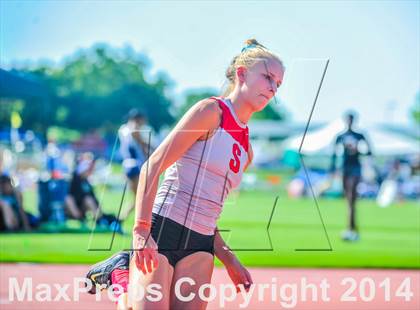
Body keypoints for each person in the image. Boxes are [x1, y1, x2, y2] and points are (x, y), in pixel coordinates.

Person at [85, 38, 285, 310]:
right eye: (267, 77)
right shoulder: (210, 112)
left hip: (200, 246)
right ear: (241, 74)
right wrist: (141, 232)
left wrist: (229, 259)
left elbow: (209, 209)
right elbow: (152, 166)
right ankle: (122, 280)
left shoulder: (247, 150)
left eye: (278, 84)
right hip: (162, 229)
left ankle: (125, 277)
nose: (273, 88)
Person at [330, 112, 373, 242]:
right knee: (348, 199)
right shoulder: (341, 136)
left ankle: (351, 228)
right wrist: (332, 169)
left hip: (355, 168)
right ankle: (352, 228)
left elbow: (370, 151)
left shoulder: (359, 136)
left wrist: (358, 151)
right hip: (345, 168)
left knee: (351, 198)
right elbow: (334, 154)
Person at [118, 109, 151, 220]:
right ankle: (120, 220)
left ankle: (120, 220)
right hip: (135, 166)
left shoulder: (123, 128)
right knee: (140, 198)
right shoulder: (133, 127)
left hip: (128, 165)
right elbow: (140, 143)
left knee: (139, 198)